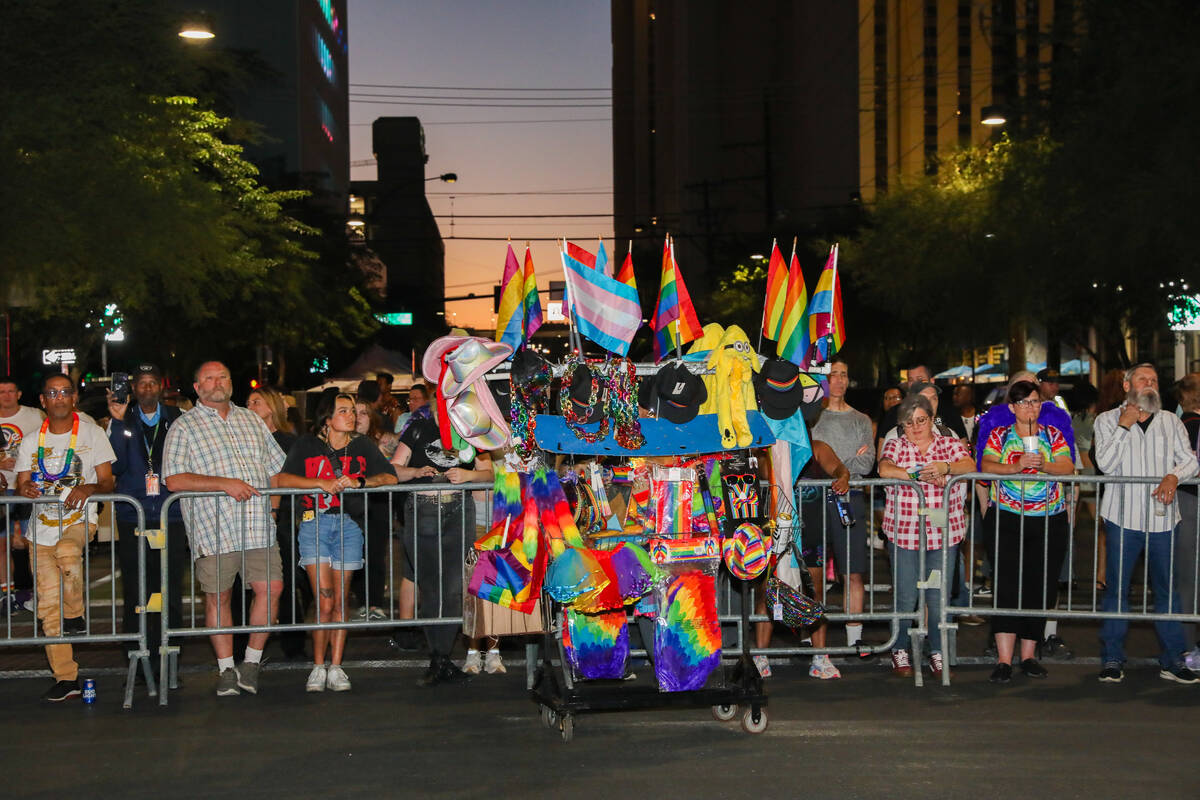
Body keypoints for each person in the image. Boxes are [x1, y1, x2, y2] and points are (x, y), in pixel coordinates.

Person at [162, 361, 286, 697]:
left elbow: (275, 467)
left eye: (223, 377)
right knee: (220, 597)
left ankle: (252, 661)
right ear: (197, 386)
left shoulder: (251, 420)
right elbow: (173, 479)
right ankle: (226, 668)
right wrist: (225, 484)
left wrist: (274, 507)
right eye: (209, 378)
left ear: (232, 383)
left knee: (271, 589)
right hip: (213, 527)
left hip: (258, 524)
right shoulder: (183, 427)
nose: (217, 383)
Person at [277, 393, 398, 692]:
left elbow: (391, 477)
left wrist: (361, 482)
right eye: (343, 411)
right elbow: (281, 480)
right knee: (324, 600)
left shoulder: (362, 446)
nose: (352, 416)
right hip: (314, 524)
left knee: (341, 601)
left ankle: (337, 666)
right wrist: (318, 483)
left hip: (349, 526)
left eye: (353, 411)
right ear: (328, 419)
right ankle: (318, 666)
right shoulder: (307, 445)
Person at [1092, 363, 1199, 684]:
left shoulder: (1170, 422)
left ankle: (1172, 659)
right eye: (1143, 379)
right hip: (1122, 518)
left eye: (1153, 380)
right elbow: (1106, 465)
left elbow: (1191, 459)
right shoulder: (1106, 420)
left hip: (1164, 519)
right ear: (1127, 386)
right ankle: (1112, 657)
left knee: (1167, 594)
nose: (1150, 384)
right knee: (1117, 591)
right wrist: (1124, 426)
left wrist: (1173, 475)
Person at [15, 375, 115, 702]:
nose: (59, 397)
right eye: (52, 393)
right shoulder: (31, 440)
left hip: (77, 521)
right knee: (47, 609)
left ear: (73, 398)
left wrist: (88, 488)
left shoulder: (92, 433)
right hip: (40, 530)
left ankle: (75, 614)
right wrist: (24, 489)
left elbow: (107, 482)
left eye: (65, 392)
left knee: (68, 550)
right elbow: (21, 484)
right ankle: (66, 678)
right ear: (43, 401)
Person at [391, 398, 493, 686]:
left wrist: (468, 475)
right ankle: (436, 657)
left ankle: (444, 658)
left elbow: (490, 473)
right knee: (430, 587)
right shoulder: (419, 429)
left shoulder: (470, 432)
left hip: (458, 511)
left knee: (452, 590)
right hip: (422, 510)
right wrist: (416, 473)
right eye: (440, 406)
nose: (445, 412)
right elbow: (394, 468)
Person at [980, 380, 1076, 683]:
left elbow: (1067, 466)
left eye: (1034, 402)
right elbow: (985, 464)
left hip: (1048, 519)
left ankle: (1030, 655)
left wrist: (1044, 465)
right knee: (1007, 586)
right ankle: (1004, 659)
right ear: (1012, 408)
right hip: (1008, 518)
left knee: (1040, 586)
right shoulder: (999, 435)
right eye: (1023, 403)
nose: (1030, 407)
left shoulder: (1053, 434)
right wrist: (1015, 466)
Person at [877, 394, 974, 679]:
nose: (916, 427)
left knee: (936, 595)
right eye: (909, 422)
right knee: (906, 595)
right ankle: (899, 649)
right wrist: (917, 474)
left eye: (921, 420)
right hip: (904, 533)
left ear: (932, 420)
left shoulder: (949, 443)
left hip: (941, 533)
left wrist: (945, 468)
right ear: (902, 425)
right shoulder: (895, 444)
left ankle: (937, 652)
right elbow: (883, 468)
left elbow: (969, 465)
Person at [106, 364, 186, 683]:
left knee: (169, 591)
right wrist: (116, 419)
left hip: (171, 513)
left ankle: (170, 657)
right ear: (134, 389)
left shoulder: (178, 417)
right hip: (133, 515)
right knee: (137, 592)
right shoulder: (123, 419)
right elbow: (116, 464)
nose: (148, 388)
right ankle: (137, 657)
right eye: (142, 384)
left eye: (153, 382)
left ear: (161, 387)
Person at [809, 357, 876, 658]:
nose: (838, 380)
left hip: (852, 499)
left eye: (844, 375)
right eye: (833, 374)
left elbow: (867, 462)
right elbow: (811, 459)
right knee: (813, 572)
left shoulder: (861, 419)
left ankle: (855, 638)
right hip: (813, 500)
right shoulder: (811, 418)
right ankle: (810, 634)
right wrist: (841, 464)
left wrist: (838, 467)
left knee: (853, 571)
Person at [247, 385, 306, 659]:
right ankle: (248, 643)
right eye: (248, 402)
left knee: (286, 580)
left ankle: (293, 644)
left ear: (272, 407)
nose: (250, 407)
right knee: (253, 583)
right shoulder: (243, 442)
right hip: (248, 519)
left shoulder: (288, 441)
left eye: (256, 402)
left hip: (282, 520)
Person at [795, 440, 853, 679]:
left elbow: (840, 468)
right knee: (768, 591)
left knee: (814, 591)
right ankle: (760, 657)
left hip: (812, 530)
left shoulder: (816, 447)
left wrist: (843, 478)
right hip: (778, 527)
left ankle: (820, 657)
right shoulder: (769, 445)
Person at [0, 375, 44, 611]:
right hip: (2, 490)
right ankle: (6, 595)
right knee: (2, 544)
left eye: (10, 391)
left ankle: (40, 593)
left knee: (34, 543)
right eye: (1, 392)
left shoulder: (34, 416)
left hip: (28, 489)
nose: (6, 396)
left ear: (18, 394)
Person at [1171, 373, 1200, 668]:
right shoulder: (1190, 427)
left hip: (1187, 502)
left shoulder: (1181, 426)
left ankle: (1186, 647)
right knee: (1189, 578)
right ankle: (1186, 649)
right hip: (1191, 503)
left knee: (1187, 579)